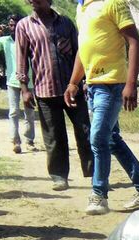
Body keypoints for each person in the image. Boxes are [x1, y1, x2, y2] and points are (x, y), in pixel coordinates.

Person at [66, 0, 139, 215]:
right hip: (92, 87)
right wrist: (73, 82)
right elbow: (83, 51)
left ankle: (99, 195)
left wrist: (131, 84)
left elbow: (134, 42)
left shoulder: (113, 3)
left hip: (111, 85)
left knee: (98, 138)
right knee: (110, 139)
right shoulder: (82, 9)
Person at [15, 0, 93, 192]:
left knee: (85, 132)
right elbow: (21, 58)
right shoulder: (24, 25)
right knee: (53, 137)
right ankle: (59, 177)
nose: (33, 1)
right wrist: (24, 89)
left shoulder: (66, 22)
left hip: (72, 89)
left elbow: (80, 52)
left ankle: (94, 175)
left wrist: (82, 82)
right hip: (44, 91)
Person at [0, 14, 36, 155]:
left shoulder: (30, 39)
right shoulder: (6, 41)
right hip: (12, 82)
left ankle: (29, 141)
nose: (13, 27)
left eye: (16, 24)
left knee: (29, 113)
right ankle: (15, 141)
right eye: (11, 25)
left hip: (29, 81)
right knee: (13, 112)